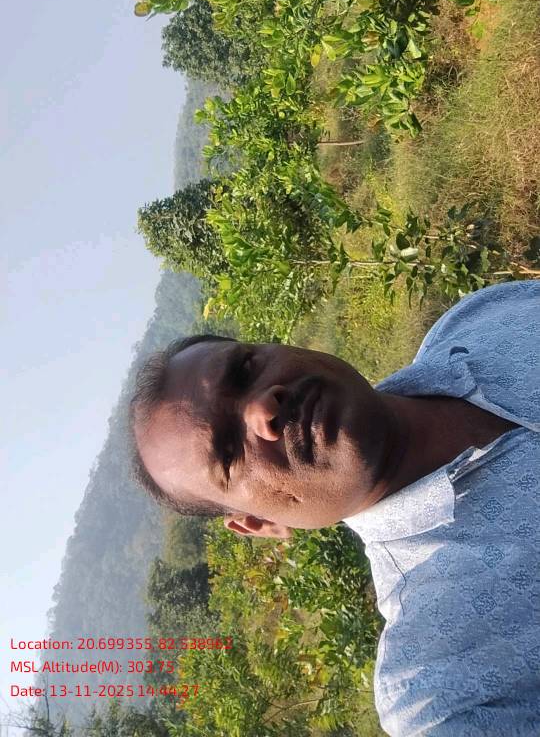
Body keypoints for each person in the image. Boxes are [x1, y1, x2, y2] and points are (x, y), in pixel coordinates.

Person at [129, 280, 540, 736]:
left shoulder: (480, 318)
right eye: (229, 451)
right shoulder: (443, 688)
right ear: (259, 523)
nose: (263, 406)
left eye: (246, 369)